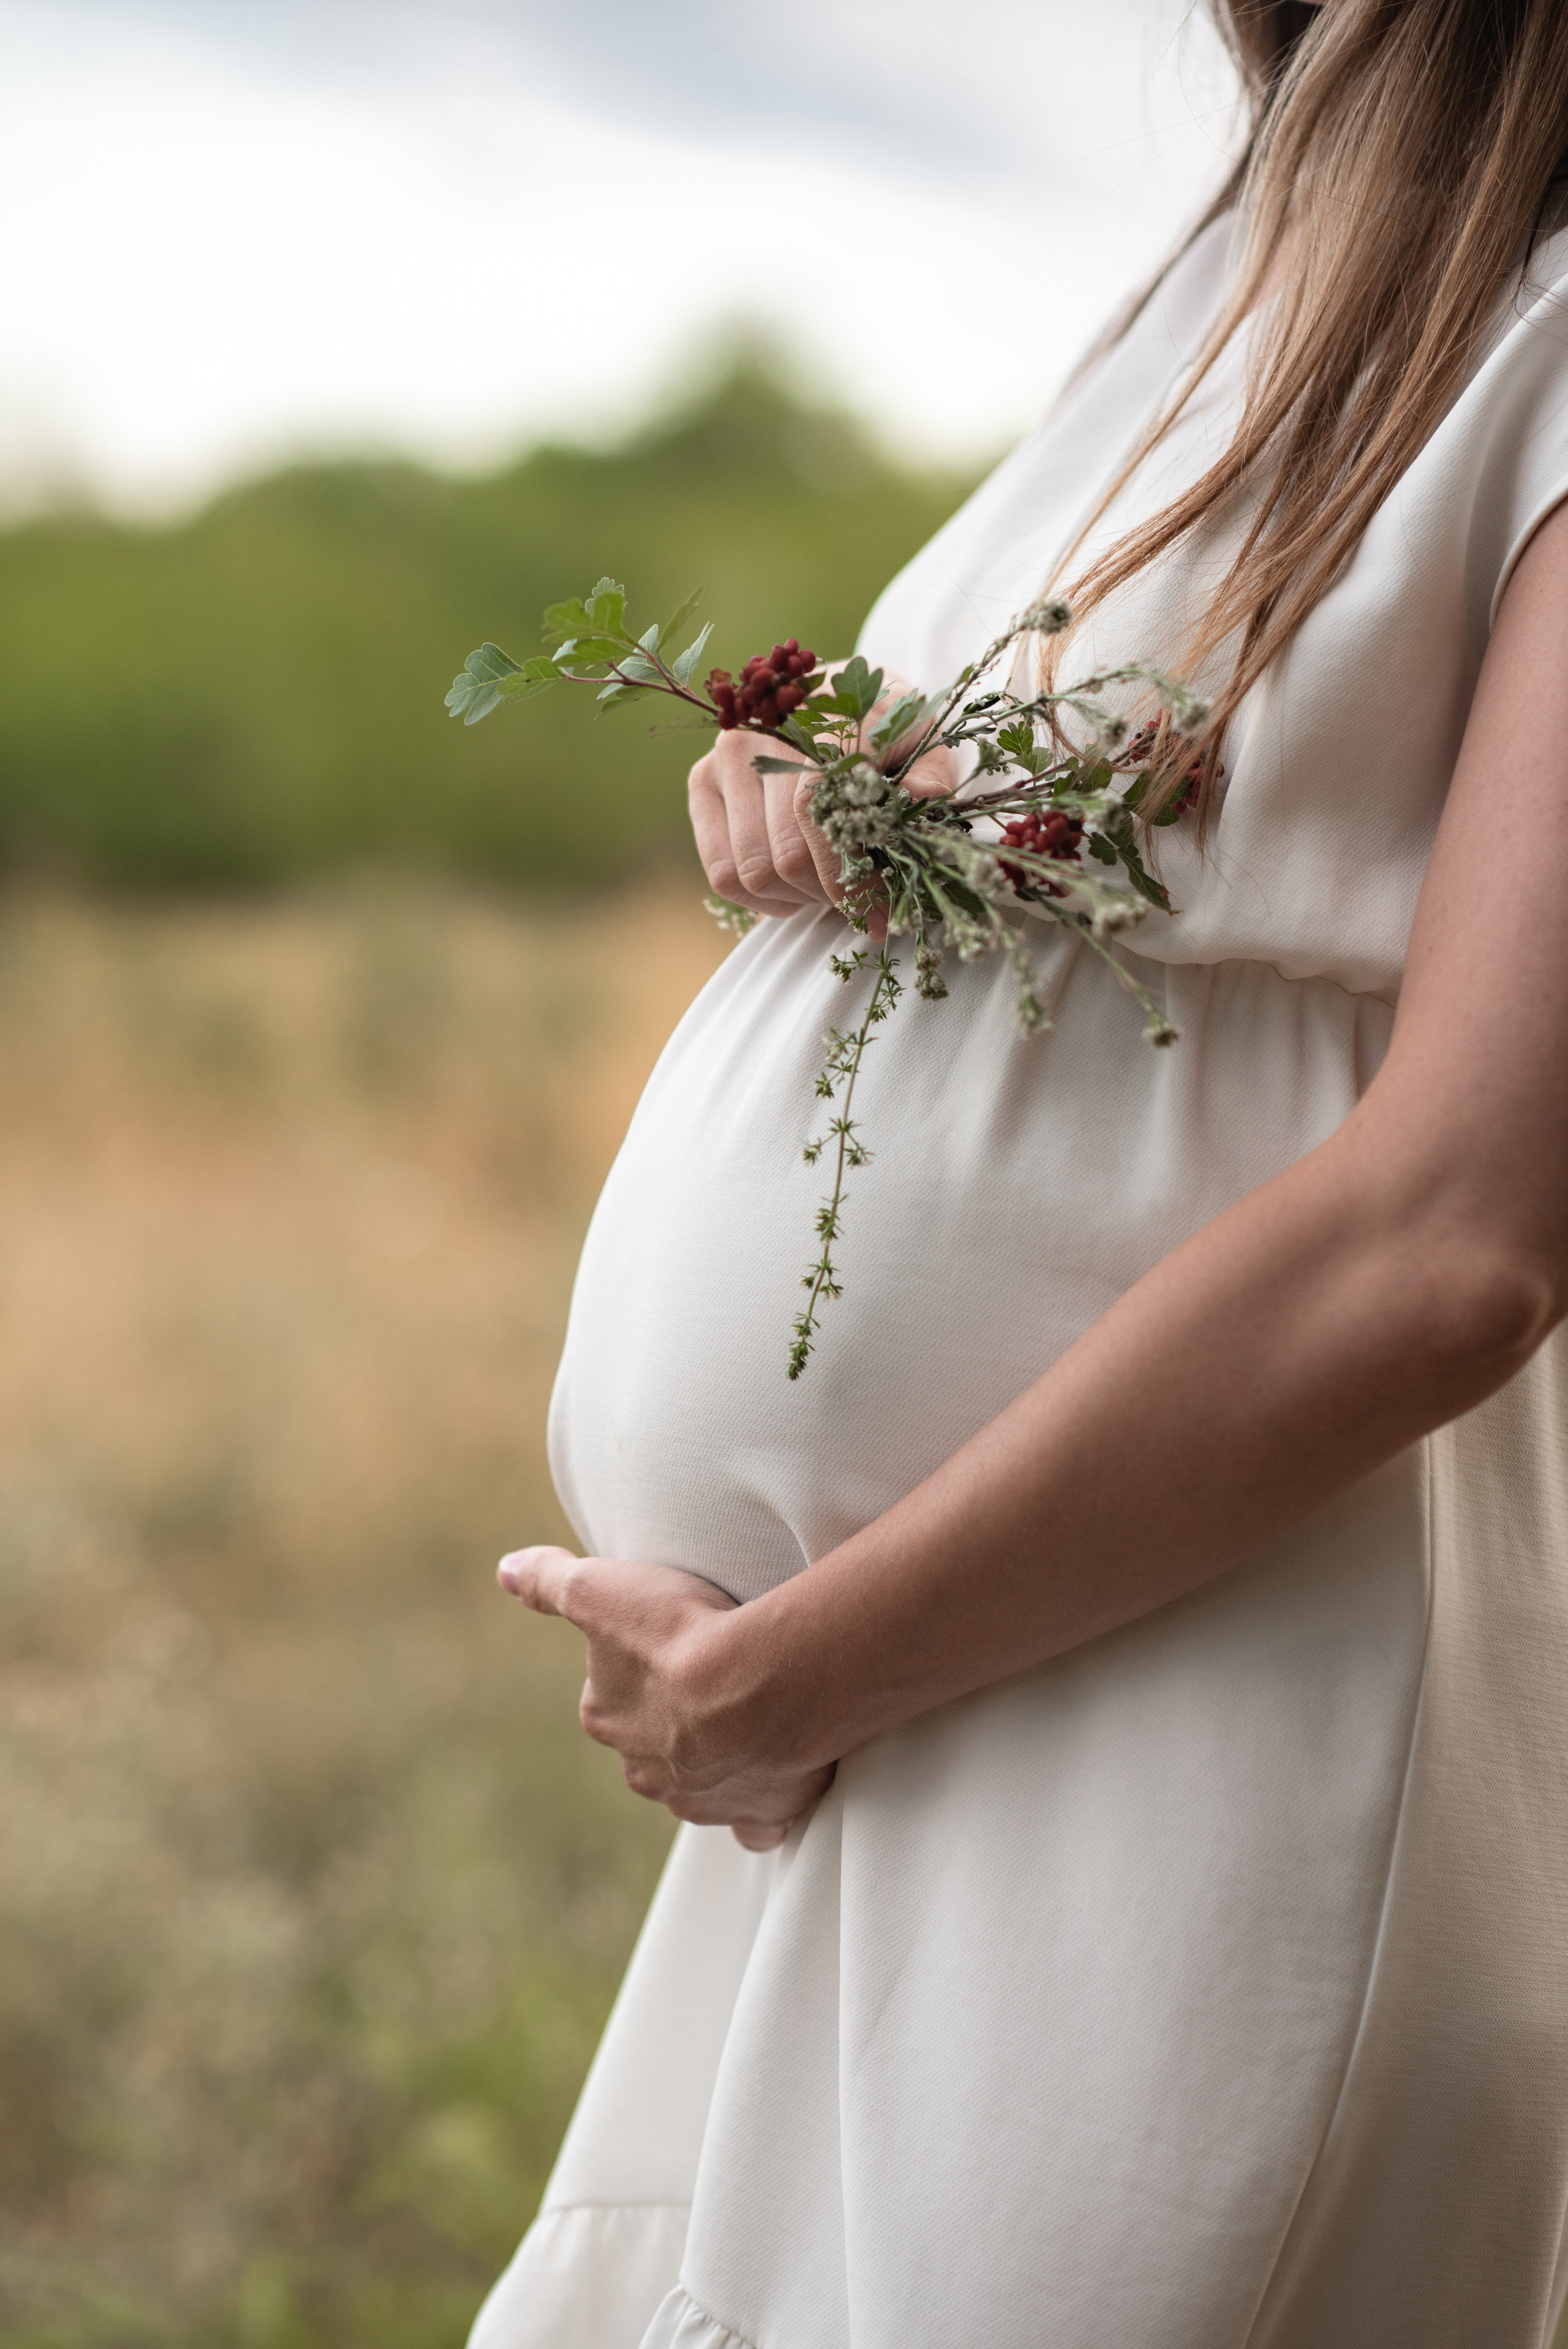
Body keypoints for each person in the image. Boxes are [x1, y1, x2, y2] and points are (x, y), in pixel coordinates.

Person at [469, 2, 1568, 2343]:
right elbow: (1221, 813)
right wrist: (828, 779)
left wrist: (791, 1673)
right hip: (954, 1683)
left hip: (1207, 1682)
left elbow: (1466, 1230)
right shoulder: (1268, 266)